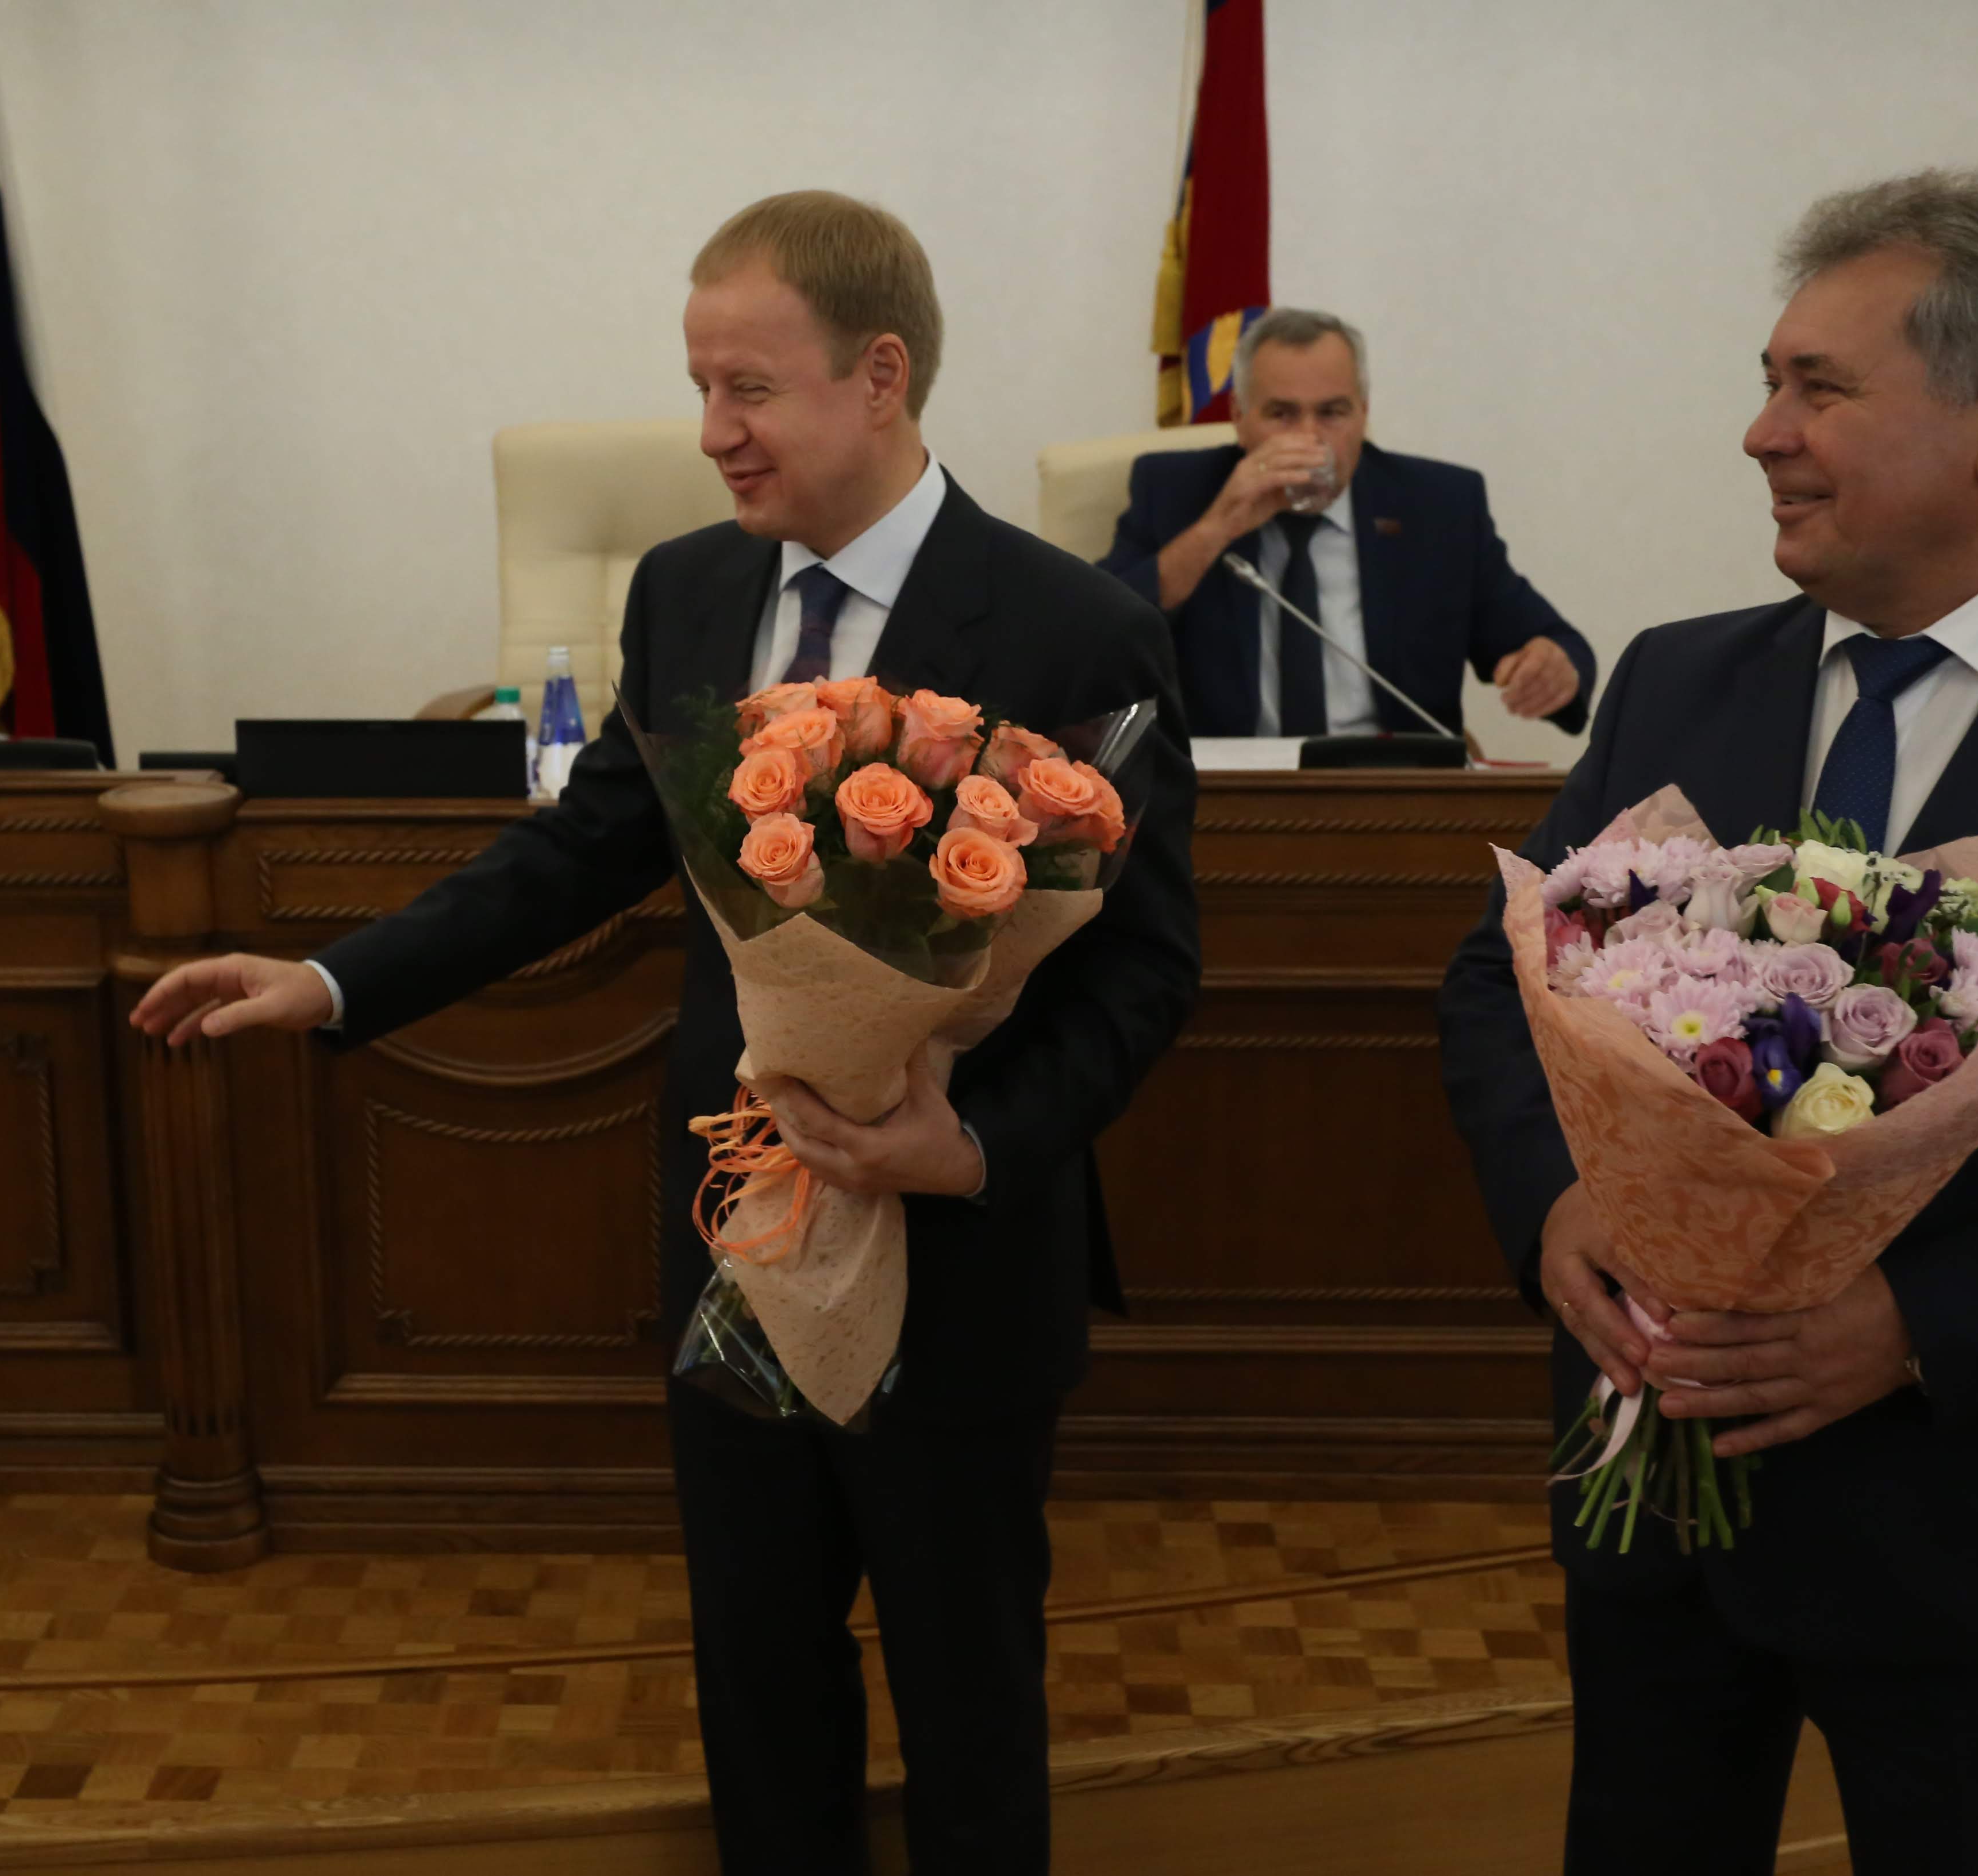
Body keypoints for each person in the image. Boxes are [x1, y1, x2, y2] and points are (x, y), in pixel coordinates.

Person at [129, 190, 1199, 1875]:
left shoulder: (1078, 628)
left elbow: (1142, 972)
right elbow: (585, 848)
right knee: (758, 1676)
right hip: (737, 1227)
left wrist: (970, 1143)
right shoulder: (688, 590)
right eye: (700, 385)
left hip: (959, 1265)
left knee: (966, 1693)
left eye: (747, 388)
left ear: (880, 376)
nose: (711, 432)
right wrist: (334, 980)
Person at [1438, 170, 1978, 1873]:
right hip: (1654, 1520)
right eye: (1769, 380)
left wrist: (1917, 1323)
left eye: (1818, 388)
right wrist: (1556, 1203)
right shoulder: (1677, 675)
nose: (1759, 432)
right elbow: (1499, 975)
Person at [1098, 307, 1596, 742]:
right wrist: (1217, 527)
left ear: (1363, 414)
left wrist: (1553, 667)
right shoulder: (1175, 492)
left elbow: (1557, 644)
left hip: (1391, 790)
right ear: (1239, 417)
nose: (1309, 438)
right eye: (1282, 414)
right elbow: (1099, 640)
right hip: (1226, 794)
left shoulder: (1439, 507)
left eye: (1332, 413)